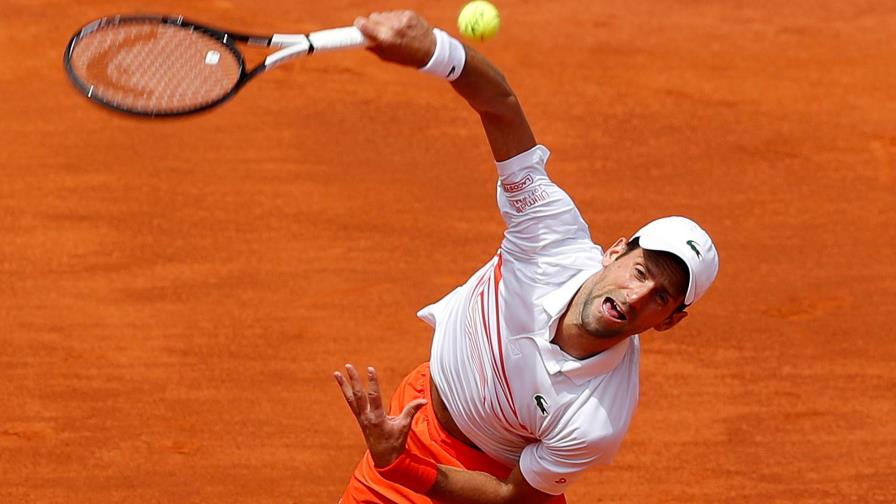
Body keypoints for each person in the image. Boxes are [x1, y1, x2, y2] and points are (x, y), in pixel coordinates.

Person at [333, 10, 720, 504]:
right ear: (615, 252)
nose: (637, 295)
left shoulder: (597, 417)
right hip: (417, 414)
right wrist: (436, 51)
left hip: (483, 481)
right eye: (641, 271)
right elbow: (500, 107)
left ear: (669, 321)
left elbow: (510, 497)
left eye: (661, 296)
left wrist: (404, 465)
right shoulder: (549, 233)